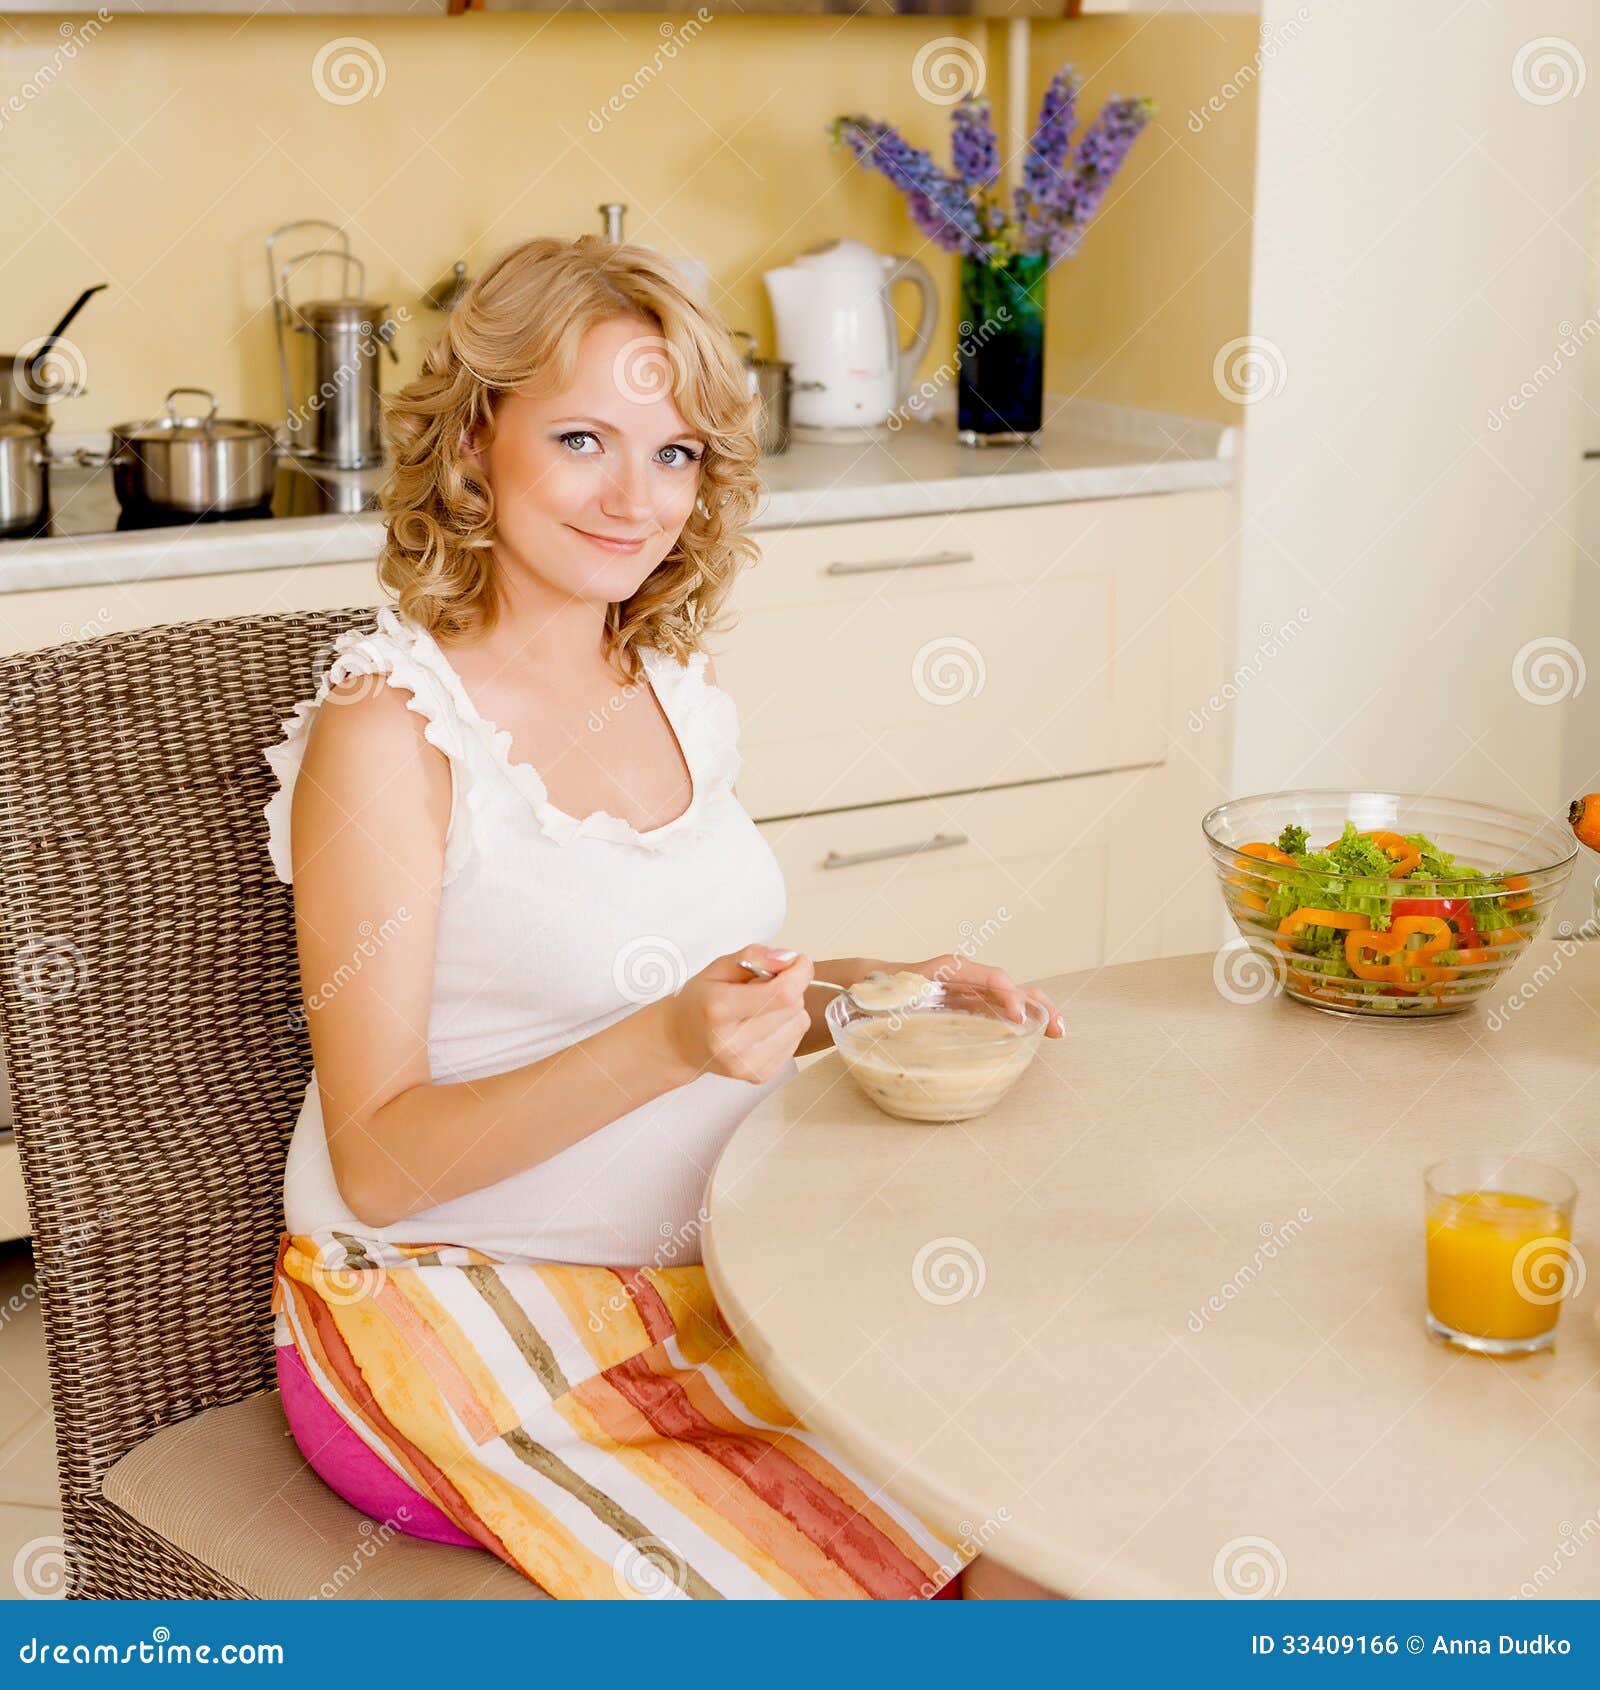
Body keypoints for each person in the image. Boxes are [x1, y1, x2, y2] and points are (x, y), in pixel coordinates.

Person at [266, 234, 1064, 1599]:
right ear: (474, 439)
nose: (636, 498)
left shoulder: (675, 689)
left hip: (713, 1289)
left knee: (1047, 1525)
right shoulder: (391, 731)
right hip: (453, 1313)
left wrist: (876, 989)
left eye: (677, 453)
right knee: (924, 1588)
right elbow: (385, 1163)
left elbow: (714, 1001)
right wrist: (674, 1040)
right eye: (583, 437)